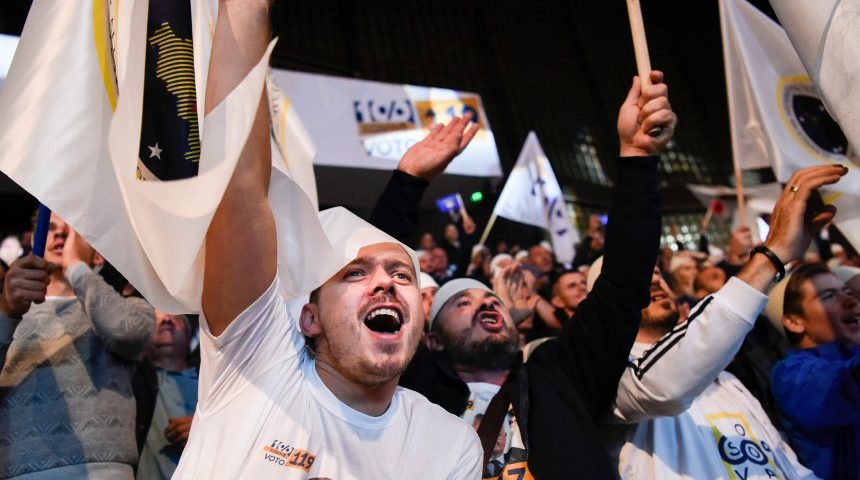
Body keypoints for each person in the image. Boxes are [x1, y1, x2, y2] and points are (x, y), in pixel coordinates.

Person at [173, 3, 482, 478]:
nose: (386, 283)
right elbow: (239, 189)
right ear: (309, 317)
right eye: (355, 273)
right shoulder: (256, 367)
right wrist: (246, 11)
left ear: (422, 322)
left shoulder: (451, 443)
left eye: (403, 275)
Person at [399, 70, 676, 478]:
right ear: (433, 340)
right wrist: (408, 182)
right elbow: (367, 279)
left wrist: (637, 157)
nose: (486, 304)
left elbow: (622, 283)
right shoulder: (409, 395)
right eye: (462, 302)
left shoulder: (560, 375)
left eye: (491, 299)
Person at [609, 164, 847, 479]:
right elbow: (667, 385)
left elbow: (787, 465)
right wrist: (772, 254)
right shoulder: (607, 377)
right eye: (634, 276)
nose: (653, 280)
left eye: (656, 273)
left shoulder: (727, 379)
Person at [0, 214, 154, 479]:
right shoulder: (9, 309)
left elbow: (126, 332)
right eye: (50, 228)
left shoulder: (125, 307)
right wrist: (7, 312)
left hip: (104, 472)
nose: (60, 234)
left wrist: (75, 267)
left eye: (73, 228)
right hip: (22, 472)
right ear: (33, 241)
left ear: (98, 254)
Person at [771, 261, 860, 479]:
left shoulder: (852, 351)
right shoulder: (789, 375)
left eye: (847, 292)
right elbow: (846, 386)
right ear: (794, 322)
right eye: (828, 296)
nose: (850, 301)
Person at [134, 310, 198, 480]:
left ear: (189, 333)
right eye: (155, 318)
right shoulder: (128, 382)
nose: (167, 320)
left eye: (176, 316)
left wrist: (204, 430)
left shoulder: (212, 383)